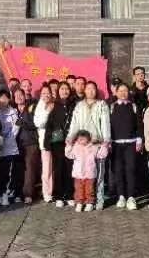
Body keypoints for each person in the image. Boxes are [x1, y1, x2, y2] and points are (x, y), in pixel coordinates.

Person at [67, 80, 111, 210]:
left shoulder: (102, 104)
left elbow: (105, 123)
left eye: (93, 88)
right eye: (88, 88)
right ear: (84, 91)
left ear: (96, 91)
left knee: (99, 173)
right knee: (84, 174)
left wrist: (106, 142)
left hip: (97, 144)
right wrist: (70, 138)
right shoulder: (79, 106)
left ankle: (99, 199)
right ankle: (84, 199)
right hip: (82, 145)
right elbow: (74, 124)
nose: (91, 91)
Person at [110, 83, 143, 210]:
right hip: (116, 144)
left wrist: (139, 139)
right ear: (116, 92)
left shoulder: (133, 106)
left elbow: (139, 124)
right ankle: (121, 196)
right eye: (121, 91)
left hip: (131, 143)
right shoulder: (112, 106)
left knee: (131, 169)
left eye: (125, 91)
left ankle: (131, 197)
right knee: (118, 171)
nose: (123, 93)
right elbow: (108, 125)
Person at [43, 81, 75, 207]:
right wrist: (47, 142)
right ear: (58, 91)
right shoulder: (53, 105)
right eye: (62, 89)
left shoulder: (74, 105)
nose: (64, 91)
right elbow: (48, 125)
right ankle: (59, 196)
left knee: (70, 168)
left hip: (71, 141)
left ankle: (70, 195)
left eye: (67, 89)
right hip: (57, 142)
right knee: (59, 168)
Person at [65, 130, 105, 212]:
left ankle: (89, 203)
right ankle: (79, 203)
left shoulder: (93, 147)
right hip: (78, 174)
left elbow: (101, 155)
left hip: (89, 174)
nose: (81, 141)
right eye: (80, 139)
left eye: (83, 139)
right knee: (79, 189)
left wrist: (104, 147)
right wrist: (68, 146)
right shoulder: (76, 147)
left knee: (89, 190)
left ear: (88, 139)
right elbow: (69, 155)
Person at [0, 89, 22, 205]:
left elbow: (17, 125)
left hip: (10, 145)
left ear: (9, 99)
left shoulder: (14, 112)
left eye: (5, 98)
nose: (3, 100)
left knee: (8, 172)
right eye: (1, 98)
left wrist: (9, 137)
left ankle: (5, 193)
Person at [13, 88, 40, 204]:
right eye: (16, 95)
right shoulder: (13, 110)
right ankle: (18, 193)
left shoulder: (32, 107)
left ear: (25, 96)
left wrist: (21, 123)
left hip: (30, 142)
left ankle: (28, 194)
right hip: (16, 144)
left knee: (29, 169)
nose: (19, 97)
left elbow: (35, 124)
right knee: (18, 169)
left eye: (21, 95)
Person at [34, 85, 55, 202]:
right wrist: (47, 112)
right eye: (43, 93)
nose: (46, 95)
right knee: (47, 169)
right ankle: (47, 193)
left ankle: (56, 190)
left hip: (56, 141)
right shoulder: (39, 106)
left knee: (56, 168)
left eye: (48, 93)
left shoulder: (55, 104)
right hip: (45, 142)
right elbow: (38, 124)